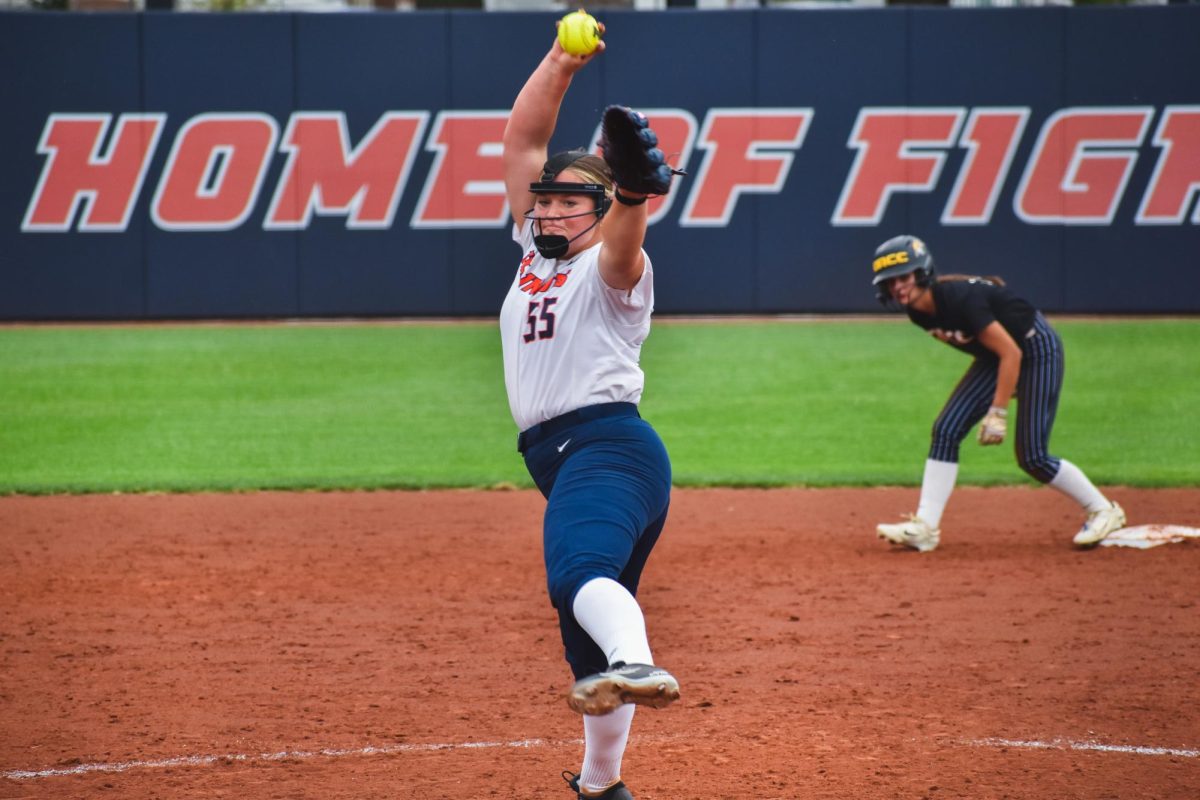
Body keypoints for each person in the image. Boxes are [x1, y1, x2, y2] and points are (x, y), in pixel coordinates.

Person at [500, 24, 680, 800]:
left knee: (576, 573)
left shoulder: (613, 270)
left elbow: (626, 239)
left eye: (571, 199)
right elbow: (522, 138)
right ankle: (602, 786)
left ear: (601, 209)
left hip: (606, 449)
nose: (549, 208)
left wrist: (632, 193)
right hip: (571, 457)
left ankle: (641, 661)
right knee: (583, 637)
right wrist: (560, 63)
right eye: (546, 197)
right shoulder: (536, 255)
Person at [870, 234, 1127, 552]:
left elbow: (1012, 353)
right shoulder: (918, 313)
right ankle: (925, 528)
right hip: (1000, 356)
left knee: (1032, 455)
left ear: (922, 272)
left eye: (903, 277)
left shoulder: (960, 298)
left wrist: (998, 410)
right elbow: (985, 349)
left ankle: (1104, 510)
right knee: (946, 428)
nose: (897, 287)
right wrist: (999, 386)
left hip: (1035, 348)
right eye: (890, 282)